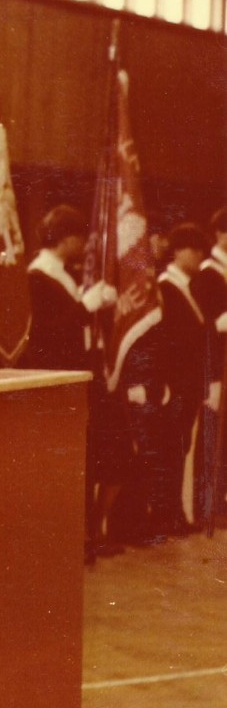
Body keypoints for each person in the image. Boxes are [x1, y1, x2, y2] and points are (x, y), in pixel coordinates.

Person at [22, 205, 120, 561]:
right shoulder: (37, 276)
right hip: (56, 382)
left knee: (91, 457)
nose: (84, 246)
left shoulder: (62, 273)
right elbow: (47, 334)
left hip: (78, 377)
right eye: (80, 238)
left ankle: (86, 535)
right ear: (65, 238)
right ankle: (72, 539)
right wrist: (84, 307)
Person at [156, 222, 209, 535]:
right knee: (171, 449)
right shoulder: (166, 287)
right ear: (177, 251)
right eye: (194, 249)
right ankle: (168, 515)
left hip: (187, 385)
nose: (199, 255)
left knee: (180, 448)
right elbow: (167, 341)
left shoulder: (187, 287)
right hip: (174, 385)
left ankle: (175, 512)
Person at [190, 207, 227, 525]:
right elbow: (204, 325)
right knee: (212, 434)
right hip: (215, 365)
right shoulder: (207, 273)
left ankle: (221, 502)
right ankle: (206, 505)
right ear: (219, 234)